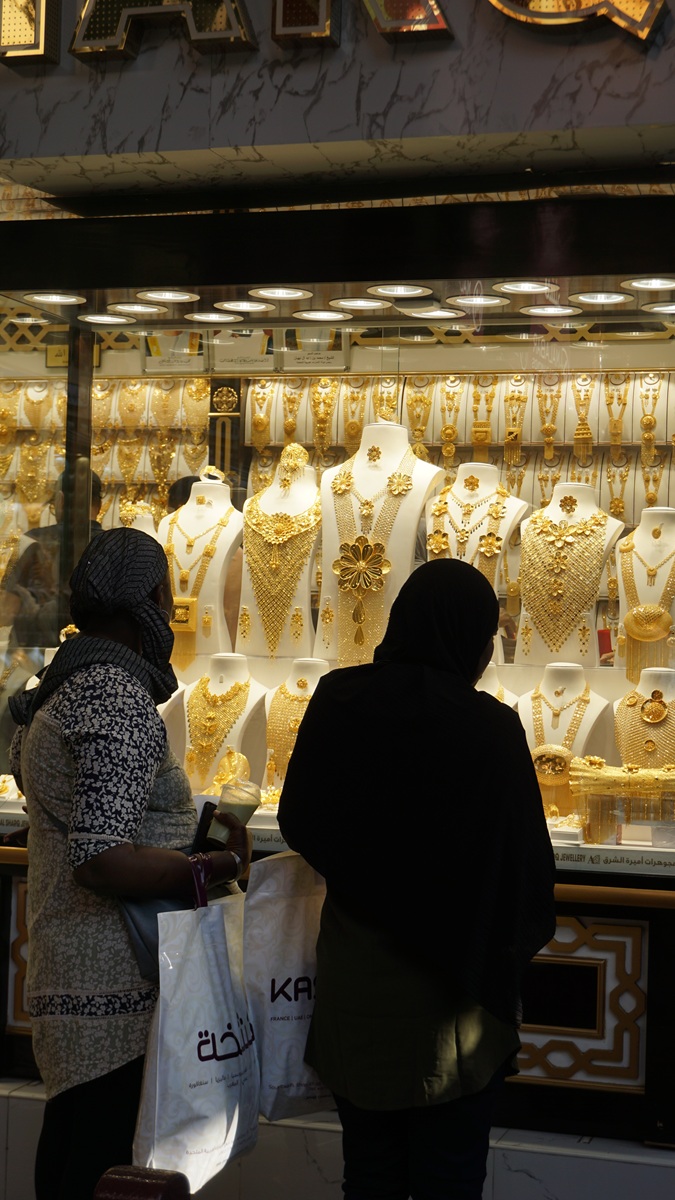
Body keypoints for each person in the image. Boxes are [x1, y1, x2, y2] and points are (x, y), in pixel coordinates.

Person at [278, 558, 556, 1200]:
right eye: (488, 639)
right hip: (455, 1003)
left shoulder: (338, 700)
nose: (488, 653)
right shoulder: (489, 729)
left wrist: (372, 873)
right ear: (471, 638)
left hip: (360, 991)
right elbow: (528, 869)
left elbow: (300, 818)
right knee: (448, 1180)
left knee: (369, 1176)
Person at [8, 527, 252, 1200]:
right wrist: (210, 866)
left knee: (76, 1148)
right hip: (113, 975)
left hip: (76, 963)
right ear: (148, 596)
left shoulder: (66, 677)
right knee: (99, 1160)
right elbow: (103, 859)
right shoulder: (112, 691)